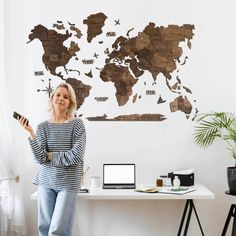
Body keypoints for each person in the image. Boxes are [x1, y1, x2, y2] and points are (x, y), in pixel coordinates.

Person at [19, 82, 86, 236]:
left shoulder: (77, 125)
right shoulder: (42, 127)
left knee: (58, 230)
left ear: (70, 102)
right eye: (58, 95)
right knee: (44, 228)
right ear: (52, 98)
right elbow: (40, 159)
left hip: (68, 183)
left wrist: (50, 155)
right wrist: (31, 134)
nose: (61, 99)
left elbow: (76, 156)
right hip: (45, 182)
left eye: (66, 97)